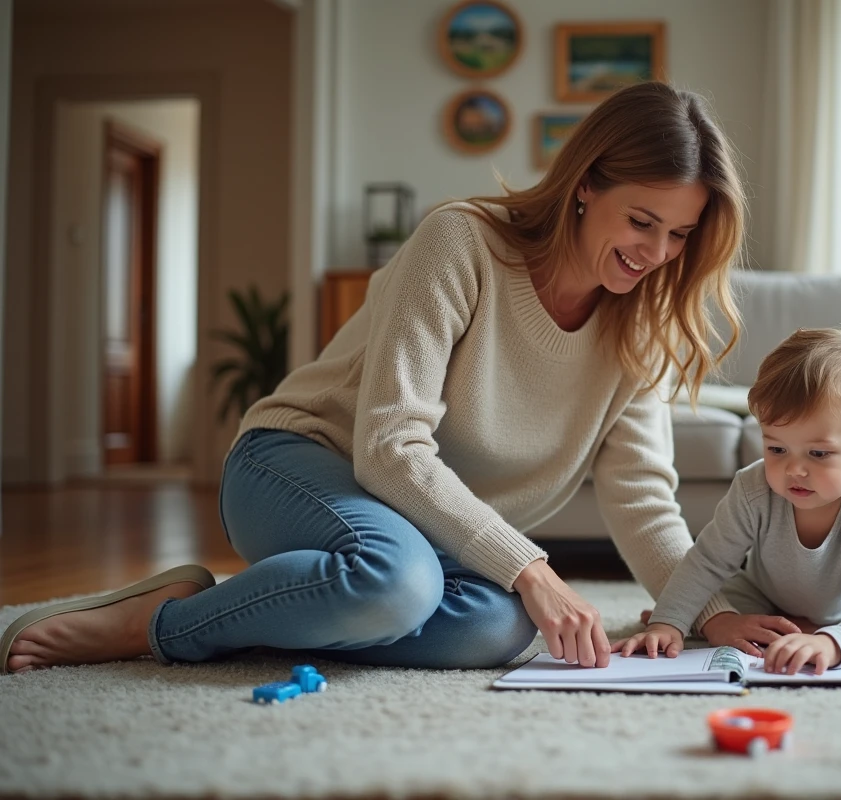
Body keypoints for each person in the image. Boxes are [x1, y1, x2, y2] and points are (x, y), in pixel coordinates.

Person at [2, 81, 793, 676]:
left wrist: (710, 615)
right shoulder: (462, 244)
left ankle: (288, 598)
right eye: (641, 222)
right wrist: (532, 568)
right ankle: (163, 625)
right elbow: (388, 448)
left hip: (426, 531)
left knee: (500, 630)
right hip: (299, 462)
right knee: (399, 583)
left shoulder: (643, 321)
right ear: (586, 184)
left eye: (680, 235)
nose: (656, 253)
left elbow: (642, 498)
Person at [613, 328, 841, 675]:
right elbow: (707, 562)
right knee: (717, 608)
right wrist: (669, 621)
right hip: (764, 590)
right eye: (777, 449)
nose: (794, 469)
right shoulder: (753, 488)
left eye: (818, 453)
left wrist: (831, 643)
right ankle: (777, 627)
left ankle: (811, 631)